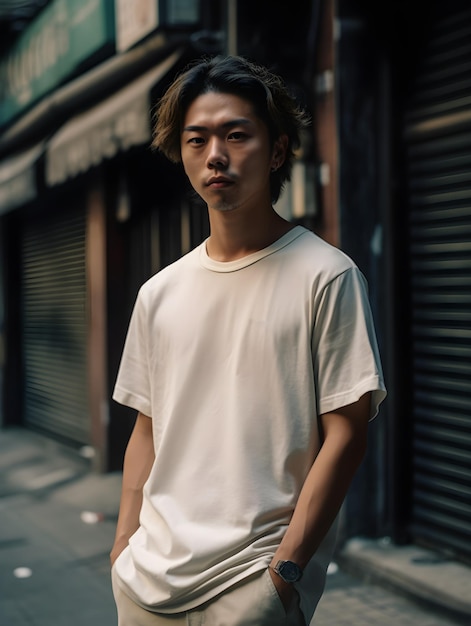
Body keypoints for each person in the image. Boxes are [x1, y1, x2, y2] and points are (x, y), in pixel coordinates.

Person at [110, 55, 387, 626]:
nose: (216, 154)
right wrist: (121, 551)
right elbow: (147, 428)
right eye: (197, 139)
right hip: (146, 586)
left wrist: (285, 575)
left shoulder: (326, 276)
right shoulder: (159, 293)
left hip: (252, 585)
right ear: (182, 154)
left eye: (237, 134)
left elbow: (347, 434)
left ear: (278, 150)